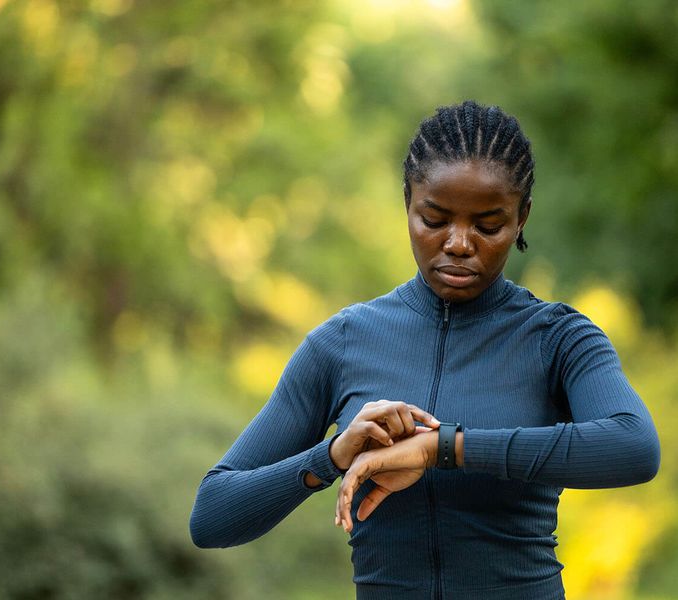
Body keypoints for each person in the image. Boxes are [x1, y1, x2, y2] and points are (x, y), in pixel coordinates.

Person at [189, 100, 660, 599]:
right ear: (408, 205)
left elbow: (633, 447)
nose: (458, 243)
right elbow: (213, 515)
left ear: (522, 218)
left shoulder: (558, 338)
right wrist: (331, 456)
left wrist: (445, 447)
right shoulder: (343, 342)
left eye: (487, 225)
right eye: (434, 219)